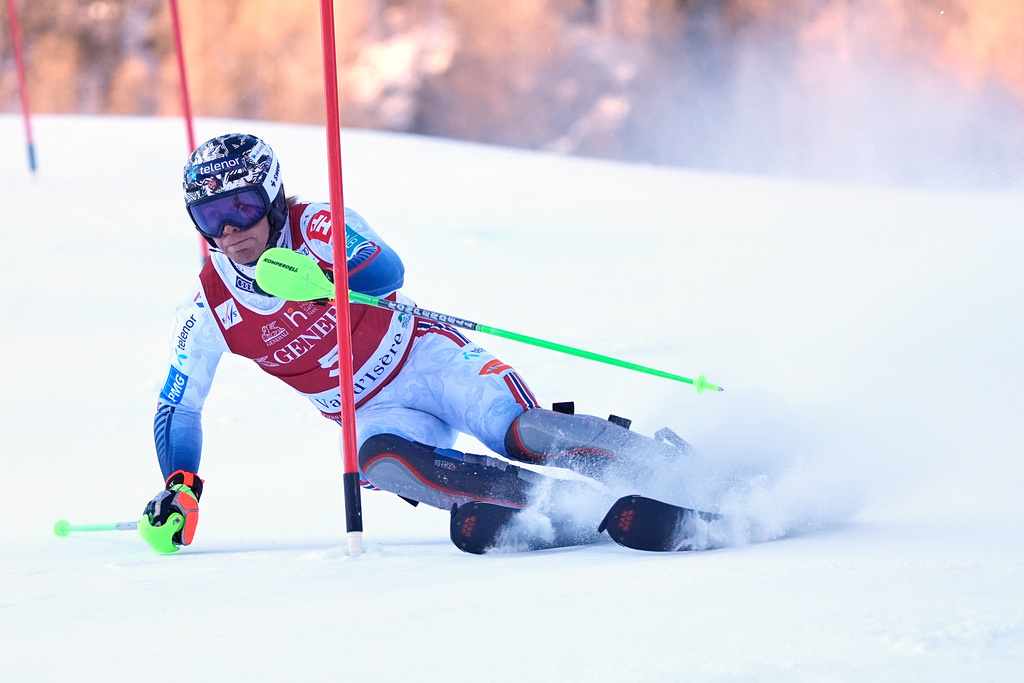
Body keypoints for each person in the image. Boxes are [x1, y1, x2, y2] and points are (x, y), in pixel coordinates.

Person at [141, 133, 687, 552]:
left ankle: (674, 472)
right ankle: (555, 508)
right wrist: (181, 483)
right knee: (381, 463)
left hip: (427, 359)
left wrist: (326, 280)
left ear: (273, 195)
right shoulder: (209, 305)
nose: (230, 230)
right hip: (364, 410)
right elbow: (179, 404)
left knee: (521, 431)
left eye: (240, 207)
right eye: (210, 217)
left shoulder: (318, 225)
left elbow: (386, 268)